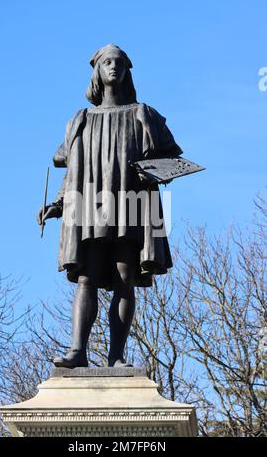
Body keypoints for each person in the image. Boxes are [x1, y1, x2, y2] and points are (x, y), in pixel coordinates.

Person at [37, 44, 182, 368]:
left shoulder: (145, 115)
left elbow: (171, 160)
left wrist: (156, 173)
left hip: (131, 206)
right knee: (86, 277)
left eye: (119, 62)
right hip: (88, 207)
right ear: (97, 71)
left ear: (127, 70)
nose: (113, 66)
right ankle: (78, 351)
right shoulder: (81, 120)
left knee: (124, 279)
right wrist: (57, 205)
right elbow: (73, 171)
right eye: (106, 62)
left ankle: (116, 356)